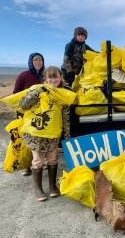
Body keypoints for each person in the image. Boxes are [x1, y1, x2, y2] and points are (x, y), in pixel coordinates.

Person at [19, 66, 70, 202]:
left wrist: (67, 132)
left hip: (53, 134)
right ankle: (38, 188)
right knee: (38, 160)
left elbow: (65, 116)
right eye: (50, 77)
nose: (53, 80)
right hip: (36, 134)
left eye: (56, 77)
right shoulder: (37, 90)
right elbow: (23, 105)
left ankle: (52, 186)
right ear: (45, 79)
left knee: (53, 159)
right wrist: (37, 92)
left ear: (60, 78)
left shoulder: (62, 94)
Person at [13, 52, 45, 176]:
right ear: (31, 62)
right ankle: (27, 165)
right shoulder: (23, 75)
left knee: (41, 139)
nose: (38, 62)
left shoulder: (45, 75)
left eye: (40, 60)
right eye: (35, 60)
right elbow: (16, 93)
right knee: (28, 140)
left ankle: (40, 162)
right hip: (25, 112)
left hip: (41, 113)